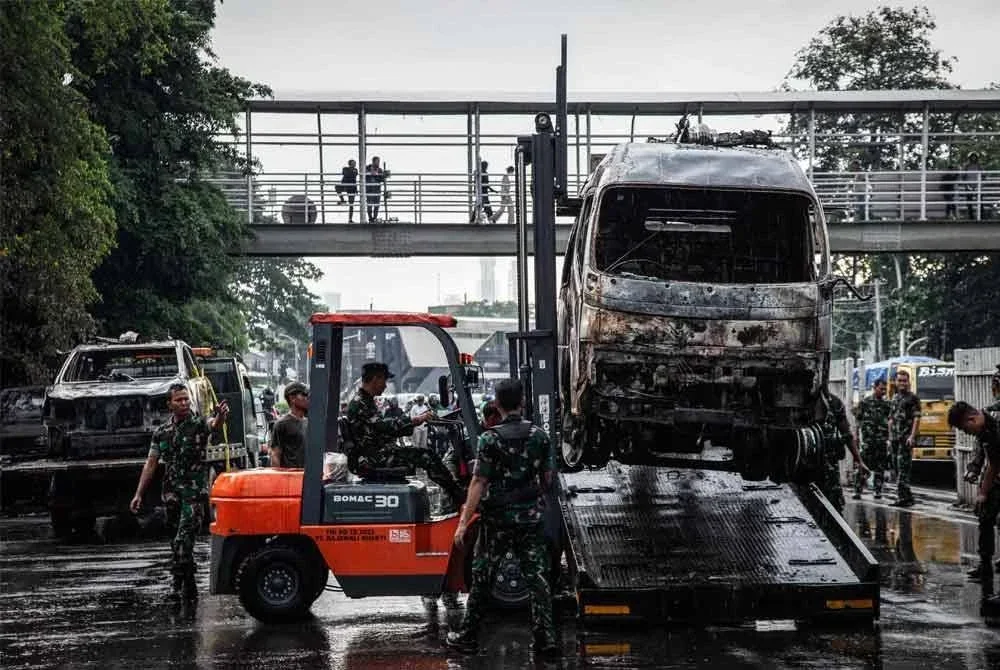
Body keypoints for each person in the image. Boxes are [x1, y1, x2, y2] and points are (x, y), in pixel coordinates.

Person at [446, 378, 557, 656]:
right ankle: (546, 640)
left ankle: (468, 637)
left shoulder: (489, 439)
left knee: (483, 578)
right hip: (530, 519)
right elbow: (547, 478)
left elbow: (478, 482)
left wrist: (463, 524)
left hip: (496, 522)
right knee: (538, 579)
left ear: (497, 404)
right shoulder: (540, 436)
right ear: (523, 402)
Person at [130, 383, 230, 602]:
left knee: (183, 540)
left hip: (193, 494)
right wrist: (139, 494)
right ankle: (186, 583)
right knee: (176, 543)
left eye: (186, 399)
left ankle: (179, 586)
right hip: (172, 495)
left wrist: (221, 416)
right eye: (179, 400)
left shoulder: (198, 424)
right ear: (170, 404)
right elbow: (151, 464)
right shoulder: (161, 433)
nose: (184, 403)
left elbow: (214, 424)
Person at [345, 362, 464, 504]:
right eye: (384, 381)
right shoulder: (360, 403)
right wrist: (414, 420)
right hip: (373, 457)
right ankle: (459, 496)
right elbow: (383, 427)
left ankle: (454, 495)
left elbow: (382, 430)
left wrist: (412, 423)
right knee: (427, 456)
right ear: (376, 379)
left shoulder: (366, 401)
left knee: (426, 454)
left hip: (377, 453)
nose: (385, 386)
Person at [949, 402, 1000, 591]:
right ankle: (985, 566)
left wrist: (983, 492)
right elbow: (991, 460)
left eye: (965, 429)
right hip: (997, 473)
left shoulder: (996, 424)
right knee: (985, 514)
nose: (967, 433)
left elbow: (995, 463)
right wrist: (982, 490)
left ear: (972, 419)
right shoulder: (985, 428)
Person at [817, 388, 868, 513]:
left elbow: (847, 434)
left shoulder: (834, 403)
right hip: (803, 466)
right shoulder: (796, 402)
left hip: (829, 467)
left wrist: (859, 460)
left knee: (834, 507)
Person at [853, 379, 891, 500]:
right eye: (881, 389)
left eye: (885, 389)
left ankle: (878, 490)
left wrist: (889, 438)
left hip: (881, 441)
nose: (883, 391)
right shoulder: (865, 402)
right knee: (863, 465)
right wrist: (857, 435)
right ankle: (858, 489)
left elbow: (890, 420)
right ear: (875, 388)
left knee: (880, 467)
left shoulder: (887, 404)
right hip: (868, 441)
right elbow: (857, 419)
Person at [888, 370, 921, 507]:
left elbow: (917, 418)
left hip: (905, 439)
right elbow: (891, 418)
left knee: (903, 469)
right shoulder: (895, 398)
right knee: (896, 468)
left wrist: (912, 436)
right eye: (900, 380)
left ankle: (903, 498)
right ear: (896, 382)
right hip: (895, 439)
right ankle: (908, 497)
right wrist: (889, 437)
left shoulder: (913, 398)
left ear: (908, 382)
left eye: (904, 380)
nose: (902, 383)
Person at [270, 382, 309, 468]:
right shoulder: (281, 424)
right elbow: (275, 454)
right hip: (290, 475)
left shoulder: (309, 423)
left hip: (307, 474)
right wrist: (278, 475)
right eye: (303, 395)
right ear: (292, 398)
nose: (306, 398)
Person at [470, 160, 495, 224]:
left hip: (483, 192)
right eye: (485, 166)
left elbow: (485, 184)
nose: (486, 167)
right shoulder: (480, 173)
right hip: (482, 192)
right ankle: (492, 220)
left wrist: (491, 189)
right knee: (486, 207)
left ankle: (472, 220)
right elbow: (477, 182)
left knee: (480, 206)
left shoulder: (483, 173)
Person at [365, 156, 388, 223]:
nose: (378, 163)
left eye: (378, 161)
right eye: (377, 161)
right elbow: (364, 176)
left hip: (377, 189)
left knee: (377, 205)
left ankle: (375, 218)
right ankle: (370, 218)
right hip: (369, 189)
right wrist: (371, 173)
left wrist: (381, 175)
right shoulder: (367, 168)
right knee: (369, 205)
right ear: (373, 161)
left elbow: (382, 179)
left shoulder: (380, 170)